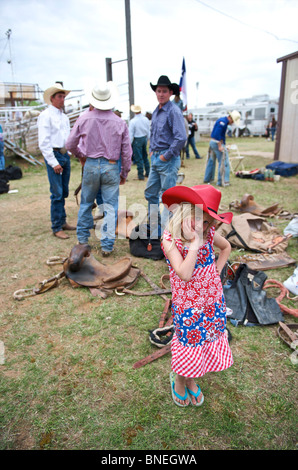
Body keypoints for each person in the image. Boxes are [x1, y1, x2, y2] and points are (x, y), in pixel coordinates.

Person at [161, 184, 233, 407]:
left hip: (211, 300)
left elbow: (227, 247)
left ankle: (191, 379)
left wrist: (216, 272)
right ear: (185, 211)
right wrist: (194, 243)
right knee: (189, 343)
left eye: (208, 222)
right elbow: (183, 273)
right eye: (198, 219)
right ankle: (180, 380)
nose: (203, 226)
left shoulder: (208, 232)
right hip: (188, 305)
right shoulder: (169, 239)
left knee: (202, 341)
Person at [65, 81, 132, 256]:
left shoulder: (84, 118)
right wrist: (124, 172)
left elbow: (70, 143)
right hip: (111, 166)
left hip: (91, 165)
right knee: (110, 207)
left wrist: (81, 155)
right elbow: (126, 151)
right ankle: (107, 246)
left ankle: (82, 240)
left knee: (86, 203)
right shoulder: (119, 122)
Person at [144, 75, 187, 235]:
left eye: (164, 91)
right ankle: (155, 228)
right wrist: (152, 150)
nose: (161, 94)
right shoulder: (157, 111)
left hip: (166, 160)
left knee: (167, 198)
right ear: (156, 92)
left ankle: (165, 234)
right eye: (158, 91)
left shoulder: (173, 111)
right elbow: (154, 132)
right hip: (156, 157)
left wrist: (166, 156)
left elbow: (181, 137)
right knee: (150, 193)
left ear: (170, 93)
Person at [38, 82, 76, 239]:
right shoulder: (45, 116)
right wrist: (54, 162)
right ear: (52, 99)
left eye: (63, 96)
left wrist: (68, 152)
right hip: (54, 155)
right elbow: (44, 142)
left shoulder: (64, 117)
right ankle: (56, 226)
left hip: (63, 154)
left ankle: (62, 222)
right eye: (60, 97)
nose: (62, 99)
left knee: (64, 191)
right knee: (57, 193)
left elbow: (67, 137)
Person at [204, 110, 240, 187]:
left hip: (212, 142)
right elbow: (217, 134)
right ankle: (223, 181)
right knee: (224, 162)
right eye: (233, 121)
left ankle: (208, 178)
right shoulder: (223, 123)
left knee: (211, 161)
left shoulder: (222, 121)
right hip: (217, 143)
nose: (232, 123)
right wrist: (220, 145)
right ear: (230, 118)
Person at [129, 105, 150, 180]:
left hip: (137, 140)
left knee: (139, 158)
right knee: (145, 156)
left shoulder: (133, 121)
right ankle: (148, 172)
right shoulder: (146, 119)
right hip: (144, 138)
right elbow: (148, 131)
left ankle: (140, 175)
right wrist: (147, 139)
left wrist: (129, 144)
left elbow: (131, 134)